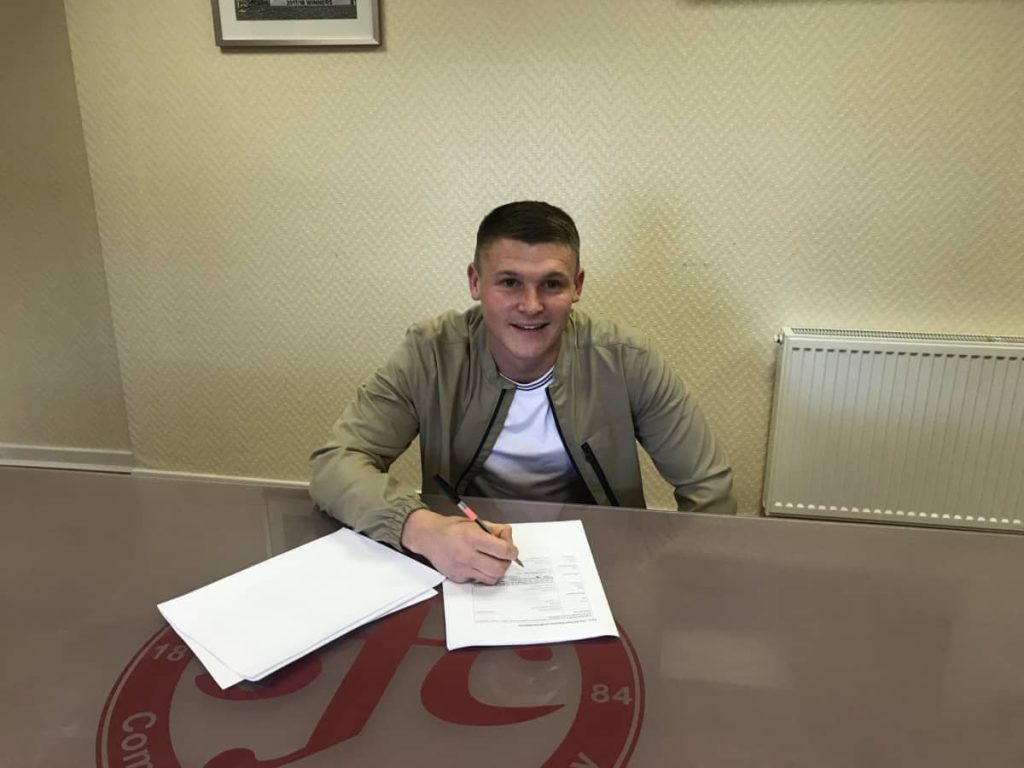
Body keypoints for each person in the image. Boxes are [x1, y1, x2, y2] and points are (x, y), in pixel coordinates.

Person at [310, 201, 735, 584]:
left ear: (577, 286)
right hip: (465, 562)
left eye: (552, 284)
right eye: (509, 282)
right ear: (475, 282)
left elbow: (709, 489)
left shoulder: (626, 360)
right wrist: (421, 527)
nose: (531, 305)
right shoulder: (431, 354)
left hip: (598, 570)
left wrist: (656, 572)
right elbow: (336, 462)